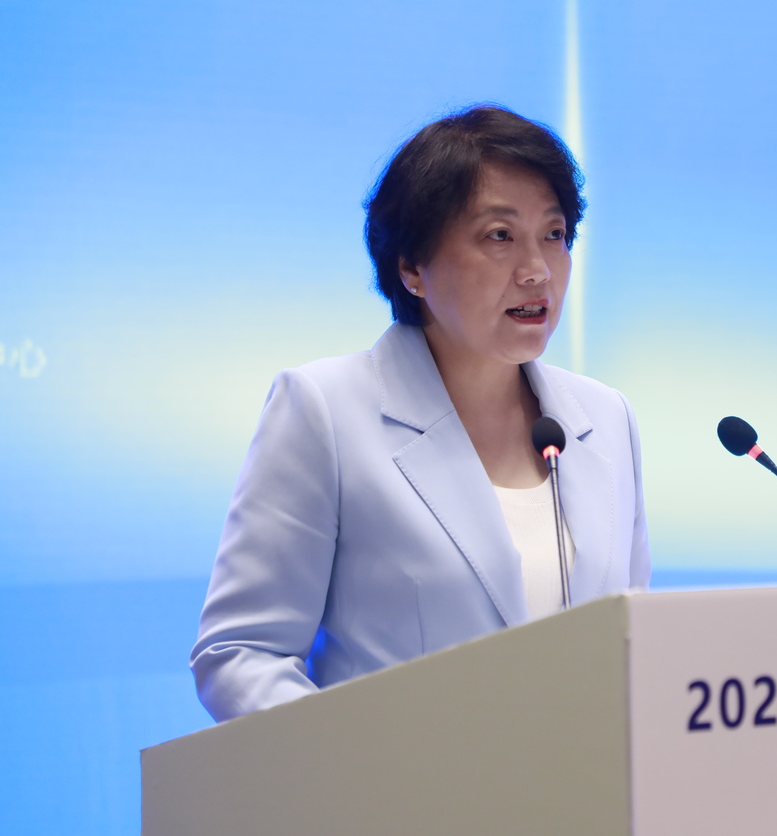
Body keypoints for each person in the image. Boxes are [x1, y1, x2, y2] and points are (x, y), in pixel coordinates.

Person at [191, 106, 650, 723]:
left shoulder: (605, 418)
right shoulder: (325, 410)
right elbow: (241, 654)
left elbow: (633, 645)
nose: (537, 270)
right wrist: (361, 769)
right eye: (499, 236)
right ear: (411, 267)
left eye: (554, 234)